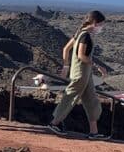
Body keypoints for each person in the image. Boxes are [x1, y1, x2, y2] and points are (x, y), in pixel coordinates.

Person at [47, 10, 110, 140]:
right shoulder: (85, 35)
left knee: (91, 99)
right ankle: (54, 123)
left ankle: (94, 132)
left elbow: (66, 49)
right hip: (81, 73)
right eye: (101, 24)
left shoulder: (79, 33)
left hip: (85, 74)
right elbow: (81, 55)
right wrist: (98, 66)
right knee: (70, 97)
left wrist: (66, 66)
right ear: (94, 22)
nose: (101, 28)